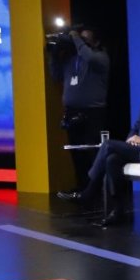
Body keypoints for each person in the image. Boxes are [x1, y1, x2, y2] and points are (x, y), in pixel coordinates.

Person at [58, 65, 140, 226]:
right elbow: (135, 128)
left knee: (108, 145)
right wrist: (131, 139)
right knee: (112, 159)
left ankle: (89, 192)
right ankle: (117, 211)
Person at [46, 25, 109, 193]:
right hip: (72, 112)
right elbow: (56, 75)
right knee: (76, 153)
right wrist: (54, 54)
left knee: (92, 152)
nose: (81, 43)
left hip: (93, 113)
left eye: (85, 40)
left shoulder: (100, 57)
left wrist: (75, 37)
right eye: (79, 39)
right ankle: (82, 187)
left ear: (96, 42)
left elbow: (89, 57)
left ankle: (95, 188)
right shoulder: (71, 60)